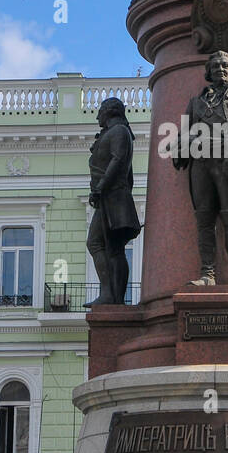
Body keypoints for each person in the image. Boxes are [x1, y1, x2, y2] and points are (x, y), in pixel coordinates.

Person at [174, 50, 228, 286]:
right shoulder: (195, 103)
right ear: (208, 72)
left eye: (225, 66)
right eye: (215, 67)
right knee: (204, 220)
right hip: (201, 165)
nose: (220, 70)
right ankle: (207, 274)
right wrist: (188, 144)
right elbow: (181, 139)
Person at [87, 98, 141, 305]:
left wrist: (101, 187)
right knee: (112, 247)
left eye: (100, 110)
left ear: (110, 111)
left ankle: (110, 294)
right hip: (111, 197)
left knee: (99, 243)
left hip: (112, 196)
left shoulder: (118, 131)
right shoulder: (115, 132)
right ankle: (113, 296)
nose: (97, 115)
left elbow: (118, 160)